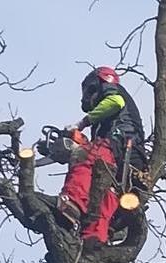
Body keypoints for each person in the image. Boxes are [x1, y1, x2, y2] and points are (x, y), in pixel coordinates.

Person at [57, 66, 146, 246]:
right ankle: (94, 239)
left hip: (118, 141)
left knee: (85, 158)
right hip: (131, 158)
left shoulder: (112, 92)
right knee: (106, 194)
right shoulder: (105, 122)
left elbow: (115, 102)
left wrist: (82, 123)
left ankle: (72, 203)